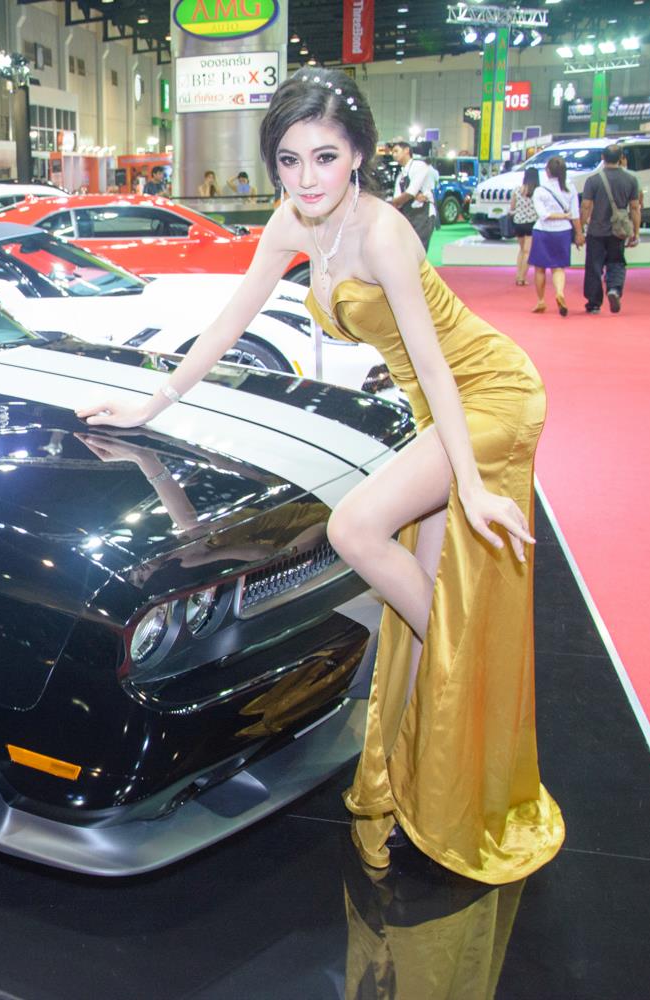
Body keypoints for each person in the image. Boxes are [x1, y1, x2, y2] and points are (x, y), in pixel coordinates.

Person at [76, 67, 562, 885]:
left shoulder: (384, 234)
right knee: (428, 598)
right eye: (290, 160)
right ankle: (444, 763)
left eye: (326, 158)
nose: (307, 179)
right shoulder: (292, 222)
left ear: (360, 156)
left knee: (357, 528)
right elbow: (226, 325)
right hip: (440, 406)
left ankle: (472, 683)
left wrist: (474, 483)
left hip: (488, 394)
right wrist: (149, 404)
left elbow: (438, 367)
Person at [578, 144, 641, 314]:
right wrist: (636, 231)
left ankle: (594, 303)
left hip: (596, 230)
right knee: (617, 262)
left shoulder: (593, 180)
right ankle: (614, 289)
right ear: (621, 158)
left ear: (602, 158)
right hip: (618, 231)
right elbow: (635, 208)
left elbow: (586, 206)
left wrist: (580, 228)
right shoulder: (631, 180)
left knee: (594, 267)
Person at [528, 155, 579, 317]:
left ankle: (541, 301)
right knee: (558, 267)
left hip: (542, 232)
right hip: (563, 232)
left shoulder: (540, 190)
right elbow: (575, 214)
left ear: (547, 171)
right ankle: (559, 293)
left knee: (539, 268)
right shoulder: (570, 188)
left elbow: (543, 215)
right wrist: (578, 232)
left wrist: (560, 216)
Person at [389, 140, 436, 251]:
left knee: (418, 251)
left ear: (406, 150)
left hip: (423, 215)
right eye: (392, 152)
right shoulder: (400, 175)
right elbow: (397, 200)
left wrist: (394, 201)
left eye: (396, 151)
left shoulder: (419, 166)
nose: (394, 155)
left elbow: (411, 192)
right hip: (408, 216)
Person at [509, 168, 539, 287]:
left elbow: (512, 207)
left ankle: (518, 275)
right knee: (528, 252)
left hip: (518, 223)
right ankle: (522, 277)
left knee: (521, 250)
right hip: (531, 223)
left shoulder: (517, 190)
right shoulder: (537, 191)